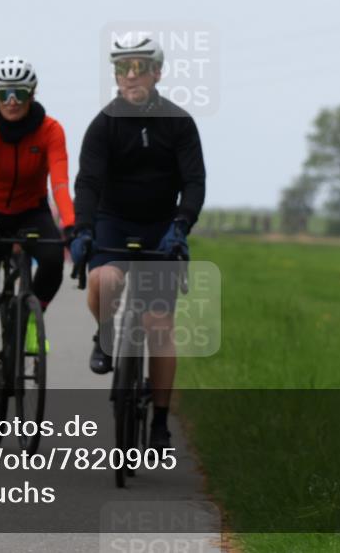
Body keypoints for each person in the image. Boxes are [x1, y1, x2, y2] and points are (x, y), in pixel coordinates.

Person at [70, 37, 206, 451]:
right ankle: (106, 332)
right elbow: (88, 182)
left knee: (158, 325)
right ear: (115, 75)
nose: (131, 76)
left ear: (157, 73)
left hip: (162, 227)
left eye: (139, 68)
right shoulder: (104, 124)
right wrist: (83, 228)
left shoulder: (179, 122)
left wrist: (181, 225)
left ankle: (160, 422)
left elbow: (194, 182)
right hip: (113, 223)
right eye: (122, 69)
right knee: (104, 281)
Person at [0, 56, 75, 420]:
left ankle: (29, 320)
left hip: (31, 210)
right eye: (3, 94)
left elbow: (60, 182)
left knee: (53, 262)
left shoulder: (50, 130)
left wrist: (70, 225)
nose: (11, 101)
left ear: (32, 93)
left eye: (19, 93)